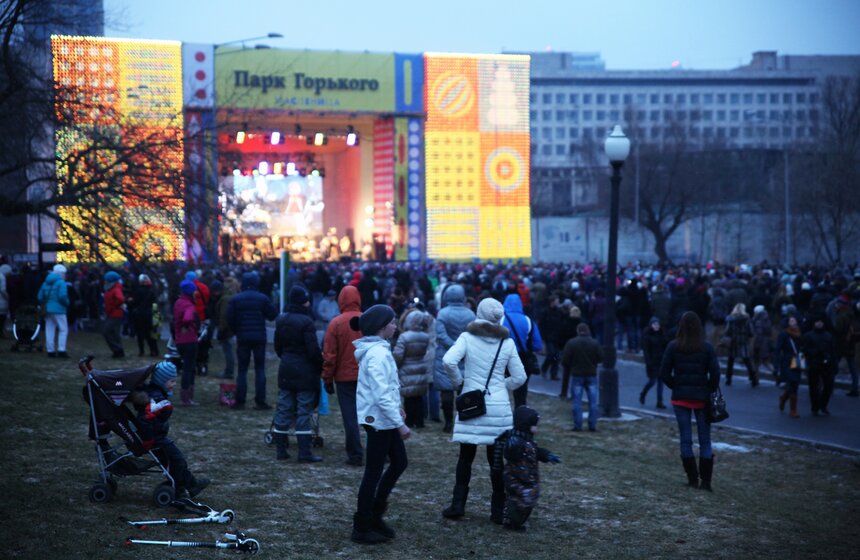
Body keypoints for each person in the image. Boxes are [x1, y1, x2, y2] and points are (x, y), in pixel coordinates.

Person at [441, 297, 527, 525]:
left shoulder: (467, 338)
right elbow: (520, 377)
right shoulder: (506, 343)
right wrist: (501, 386)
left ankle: (458, 504)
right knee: (496, 462)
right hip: (498, 408)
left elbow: (448, 361)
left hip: (472, 403)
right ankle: (497, 510)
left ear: (479, 314)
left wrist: (460, 383)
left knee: (465, 458)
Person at [350, 305, 409, 545]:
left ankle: (374, 515)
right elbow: (380, 394)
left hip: (385, 418)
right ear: (382, 327)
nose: (396, 326)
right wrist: (399, 424)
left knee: (399, 462)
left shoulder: (381, 350)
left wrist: (397, 407)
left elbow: (388, 388)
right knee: (373, 472)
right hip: (378, 421)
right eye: (392, 322)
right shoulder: (377, 354)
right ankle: (362, 526)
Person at [660, 311, 721, 492]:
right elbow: (715, 374)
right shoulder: (707, 347)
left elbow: (664, 373)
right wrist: (708, 389)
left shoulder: (673, 346)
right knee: (705, 440)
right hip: (701, 399)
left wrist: (676, 386)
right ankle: (706, 482)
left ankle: (692, 479)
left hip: (681, 399)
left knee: (685, 440)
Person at [133, 361, 209, 498]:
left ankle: (191, 485)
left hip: (157, 436)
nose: (174, 384)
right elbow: (145, 420)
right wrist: (148, 440)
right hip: (155, 439)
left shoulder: (155, 394)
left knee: (177, 459)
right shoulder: (156, 399)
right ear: (161, 381)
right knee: (176, 460)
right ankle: (180, 489)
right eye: (172, 381)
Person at [272, 285, 323, 463]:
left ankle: (281, 450)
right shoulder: (307, 322)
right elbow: (313, 350)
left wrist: (287, 358)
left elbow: (277, 346)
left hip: (286, 368)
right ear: (304, 301)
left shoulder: (281, 319)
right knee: (304, 410)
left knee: (284, 408)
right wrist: (320, 365)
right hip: (305, 371)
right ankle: (304, 452)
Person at [322, 285, 364, 466]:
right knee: (372, 414)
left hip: (344, 377)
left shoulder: (336, 323)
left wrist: (327, 379)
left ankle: (355, 454)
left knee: (350, 417)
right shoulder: (367, 320)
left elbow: (329, 355)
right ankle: (381, 450)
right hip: (366, 376)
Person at [501, 406, 561, 531]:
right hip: (517, 478)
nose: (537, 428)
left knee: (527, 500)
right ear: (526, 425)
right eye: (535, 425)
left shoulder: (527, 440)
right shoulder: (516, 441)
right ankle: (512, 522)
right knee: (518, 500)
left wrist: (547, 455)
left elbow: (536, 451)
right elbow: (509, 454)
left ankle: (516, 520)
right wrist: (511, 446)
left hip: (528, 478)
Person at [227, 271, 277, 410]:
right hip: (259, 337)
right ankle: (260, 401)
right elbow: (273, 315)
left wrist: (236, 330)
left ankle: (240, 400)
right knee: (260, 369)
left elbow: (229, 317)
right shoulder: (262, 298)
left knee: (242, 369)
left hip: (243, 336)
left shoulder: (236, 299)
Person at [434, 284, 476, 433]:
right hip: (465, 355)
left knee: (446, 391)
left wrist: (453, 347)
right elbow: (473, 334)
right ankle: (464, 420)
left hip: (445, 354)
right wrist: (461, 348)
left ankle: (448, 423)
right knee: (464, 390)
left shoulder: (442, 313)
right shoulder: (470, 314)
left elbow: (440, 335)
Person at [502, 293, 543, 408]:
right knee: (521, 391)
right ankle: (520, 414)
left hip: (503, 358)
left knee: (499, 388)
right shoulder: (528, 320)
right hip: (523, 359)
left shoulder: (501, 320)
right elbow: (537, 345)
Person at [393, 308, 432, 428]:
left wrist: (395, 366)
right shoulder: (425, 336)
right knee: (419, 397)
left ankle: (409, 421)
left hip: (407, 369)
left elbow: (398, 355)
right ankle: (420, 421)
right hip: (420, 366)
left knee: (409, 398)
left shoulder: (404, 337)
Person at [561, 323, 603, 431]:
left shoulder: (572, 343)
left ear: (578, 331)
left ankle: (578, 425)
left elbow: (565, 360)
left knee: (577, 402)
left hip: (577, 374)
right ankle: (592, 425)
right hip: (591, 374)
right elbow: (601, 358)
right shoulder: (594, 343)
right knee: (593, 402)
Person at [802, 314, 836, 416]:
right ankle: (815, 407)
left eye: (821, 322)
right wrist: (815, 352)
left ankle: (823, 405)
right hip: (814, 363)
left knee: (828, 386)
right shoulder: (808, 335)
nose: (819, 323)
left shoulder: (828, 336)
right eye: (817, 321)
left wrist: (833, 363)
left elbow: (833, 351)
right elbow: (805, 350)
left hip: (826, 364)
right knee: (813, 387)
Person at [173, 280, 200, 406]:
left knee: (186, 368)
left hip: (179, 340)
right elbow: (188, 318)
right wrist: (187, 325)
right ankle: (187, 397)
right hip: (189, 340)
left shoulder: (178, 302)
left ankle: (185, 396)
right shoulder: (189, 305)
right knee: (190, 368)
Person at [38, 264, 70, 358]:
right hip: (59, 310)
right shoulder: (61, 283)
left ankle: (50, 351)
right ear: (61, 274)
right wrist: (67, 303)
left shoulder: (45, 282)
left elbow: (39, 297)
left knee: (49, 329)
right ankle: (61, 350)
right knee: (63, 330)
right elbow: (62, 296)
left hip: (47, 309)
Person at [775, 316, 803, 418]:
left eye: (794, 320)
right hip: (787, 361)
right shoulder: (784, 334)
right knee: (792, 382)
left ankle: (783, 398)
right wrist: (776, 366)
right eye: (791, 320)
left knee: (795, 383)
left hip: (797, 361)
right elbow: (778, 350)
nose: (793, 322)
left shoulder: (799, 333)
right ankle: (793, 410)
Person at [725, 303, 758, 387]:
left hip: (734, 341)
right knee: (747, 361)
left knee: (730, 361)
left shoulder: (731, 319)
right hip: (743, 341)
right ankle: (753, 379)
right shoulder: (747, 319)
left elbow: (727, 331)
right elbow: (751, 332)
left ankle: (728, 379)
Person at [214, 276, 239, 379]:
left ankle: (229, 372)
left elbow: (223, 315)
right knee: (228, 349)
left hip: (226, 329)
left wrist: (221, 328)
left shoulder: (225, 298)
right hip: (230, 328)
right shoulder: (230, 296)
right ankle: (229, 371)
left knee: (228, 350)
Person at [640, 316, 668, 409]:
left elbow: (665, 346)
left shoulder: (662, 334)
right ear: (651, 325)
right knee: (652, 381)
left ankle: (659, 401)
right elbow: (646, 351)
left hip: (661, 361)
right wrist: (649, 362)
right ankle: (643, 393)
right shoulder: (647, 336)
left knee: (660, 382)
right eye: (654, 324)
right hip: (652, 362)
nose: (656, 326)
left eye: (657, 324)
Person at [129, 274, 159, 357]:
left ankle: (141, 351)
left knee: (140, 334)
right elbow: (155, 304)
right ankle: (154, 350)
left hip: (140, 314)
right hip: (150, 314)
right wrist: (156, 316)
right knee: (151, 333)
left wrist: (130, 301)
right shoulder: (152, 291)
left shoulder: (138, 291)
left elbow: (134, 303)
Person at [102, 270, 126, 358]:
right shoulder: (113, 288)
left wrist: (113, 306)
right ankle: (118, 351)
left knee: (107, 331)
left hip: (115, 314)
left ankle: (117, 349)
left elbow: (120, 299)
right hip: (112, 313)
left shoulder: (115, 289)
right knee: (115, 333)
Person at [751, 305, 774, 375]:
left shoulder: (758, 320)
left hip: (759, 343)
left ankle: (776, 375)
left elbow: (757, 333)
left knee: (759, 362)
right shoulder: (767, 319)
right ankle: (776, 375)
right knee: (763, 362)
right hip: (765, 343)